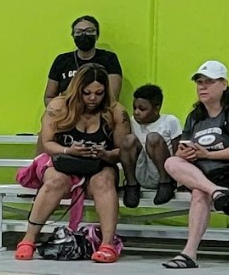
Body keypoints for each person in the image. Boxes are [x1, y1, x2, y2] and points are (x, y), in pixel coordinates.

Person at [14, 64, 128, 262]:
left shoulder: (116, 111)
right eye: (87, 93)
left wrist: (105, 154)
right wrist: (69, 150)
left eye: (99, 93)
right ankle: (29, 239)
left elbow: (123, 150)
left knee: (104, 181)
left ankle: (107, 244)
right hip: (63, 161)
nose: (93, 98)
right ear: (77, 90)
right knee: (55, 181)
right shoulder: (58, 106)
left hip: (99, 165)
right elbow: (47, 142)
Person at [160, 61, 229, 270]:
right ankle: (216, 192)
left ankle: (189, 252)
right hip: (208, 175)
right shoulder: (195, 116)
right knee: (172, 161)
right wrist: (185, 153)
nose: (202, 87)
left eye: (209, 82)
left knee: (199, 192)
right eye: (199, 82)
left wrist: (209, 153)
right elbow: (184, 147)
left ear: (224, 84)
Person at [46, 17, 135, 204]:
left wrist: (90, 105)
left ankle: (130, 183)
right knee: (46, 128)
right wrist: (62, 112)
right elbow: (49, 96)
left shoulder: (108, 59)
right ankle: (40, 178)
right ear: (72, 35)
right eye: (78, 32)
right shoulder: (62, 60)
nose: (83, 35)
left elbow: (111, 97)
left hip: (98, 119)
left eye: (89, 31)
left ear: (97, 34)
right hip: (68, 118)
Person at [130, 84, 183, 206]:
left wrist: (181, 181)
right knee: (129, 140)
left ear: (156, 109)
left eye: (142, 109)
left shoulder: (170, 121)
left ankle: (166, 184)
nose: (136, 112)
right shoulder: (132, 121)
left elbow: (178, 152)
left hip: (162, 172)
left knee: (153, 138)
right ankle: (131, 185)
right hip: (141, 172)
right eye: (134, 108)